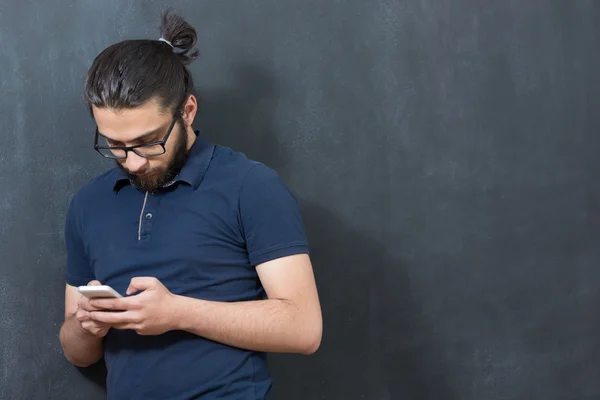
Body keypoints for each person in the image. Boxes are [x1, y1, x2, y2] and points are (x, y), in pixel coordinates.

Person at [58, 9, 322, 400]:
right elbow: (78, 354)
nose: (132, 161)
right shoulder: (87, 204)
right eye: (115, 145)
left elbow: (304, 328)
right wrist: (85, 325)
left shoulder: (250, 186)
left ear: (187, 112)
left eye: (148, 141)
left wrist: (178, 313)